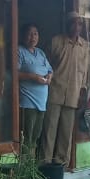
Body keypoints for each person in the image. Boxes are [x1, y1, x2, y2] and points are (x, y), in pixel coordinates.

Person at [43, 13, 90, 165]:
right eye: (73, 23)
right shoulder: (56, 41)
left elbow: (85, 71)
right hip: (55, 91)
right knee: (49, 131)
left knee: (66, 133)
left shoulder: (84, 46)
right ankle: (45, 163)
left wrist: (83, 91)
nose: (76, 27)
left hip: (73, 94)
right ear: (67, 25)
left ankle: (61, 164)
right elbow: (46, 64)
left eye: (79, 24)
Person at [17, 23, 52, 151]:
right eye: (29, 33)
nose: (33, 37)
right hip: (28, 102)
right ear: (23, 36)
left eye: (35, 33)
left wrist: (49, 77)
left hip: (41, 102)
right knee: (27, 137)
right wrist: (33, 77)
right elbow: (15, 73)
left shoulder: (41, 53)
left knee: (35, 137)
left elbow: (50, 70)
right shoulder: (19, 50)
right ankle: (26, 168)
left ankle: (31, 168)